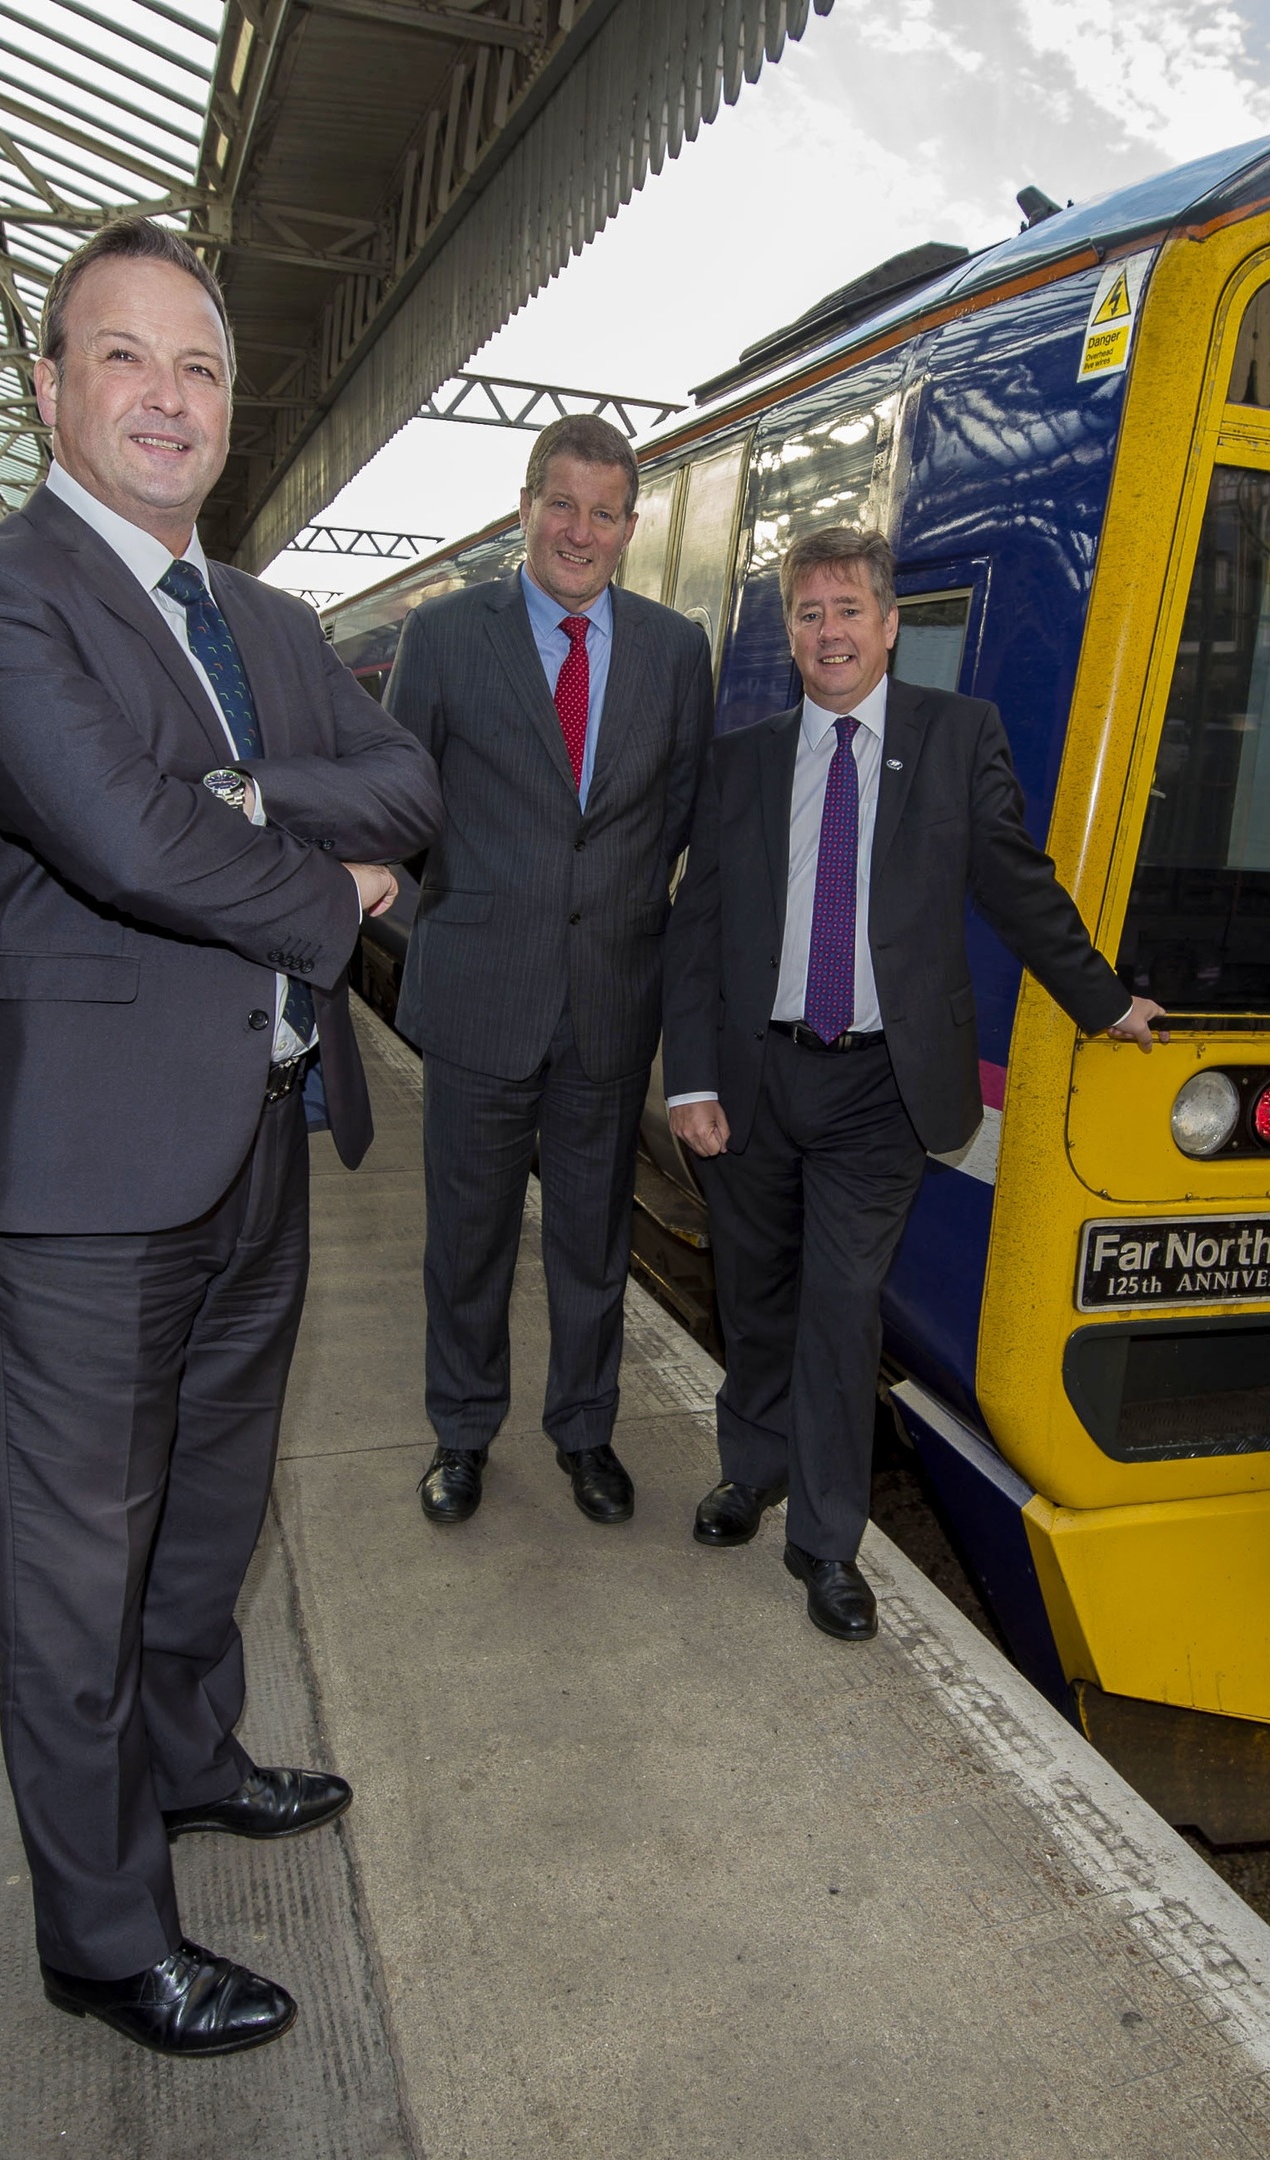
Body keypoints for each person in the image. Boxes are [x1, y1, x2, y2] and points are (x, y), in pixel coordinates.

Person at [0, 217, 440, 2057]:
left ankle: (194, 1758)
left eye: (198, 367)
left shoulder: (269, 624)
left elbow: (408, 785)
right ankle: (103, 1933)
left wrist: (235, 784)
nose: (166, 395)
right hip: (70, 1181)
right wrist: (323, 884)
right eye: (123, 357)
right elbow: (114, 838)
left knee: (205, 1517)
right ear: (52, 390)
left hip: (261, 1132)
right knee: (73, 1571)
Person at [663, 526, 1167, 1641]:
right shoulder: (742, 760)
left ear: (892, 627)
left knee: (843, 1312)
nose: (829, 632)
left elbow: (1015, 881)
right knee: (753, 1294)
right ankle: (751, 1468)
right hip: (751, 1078)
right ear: (788, 634)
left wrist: (1105, 999)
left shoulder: (955, 737)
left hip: (880, 1089)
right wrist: (689, 1076)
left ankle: (827, 1542)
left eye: (850, 611)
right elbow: (695, 929)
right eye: (809, 613)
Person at [385, 416, 714, 1529]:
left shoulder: (676, 653)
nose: (581, 530)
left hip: (608, 1000)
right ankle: (461, 1433)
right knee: (466, 1238)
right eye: (561, 504)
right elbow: (402, 801)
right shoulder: (443, 637)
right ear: (527, 505)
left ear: (631, 526)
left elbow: (673, 819)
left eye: (604, 512)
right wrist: (485, 903)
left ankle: (584, 1431)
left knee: (592, 1240)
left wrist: (604, 913)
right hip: (481, 992)